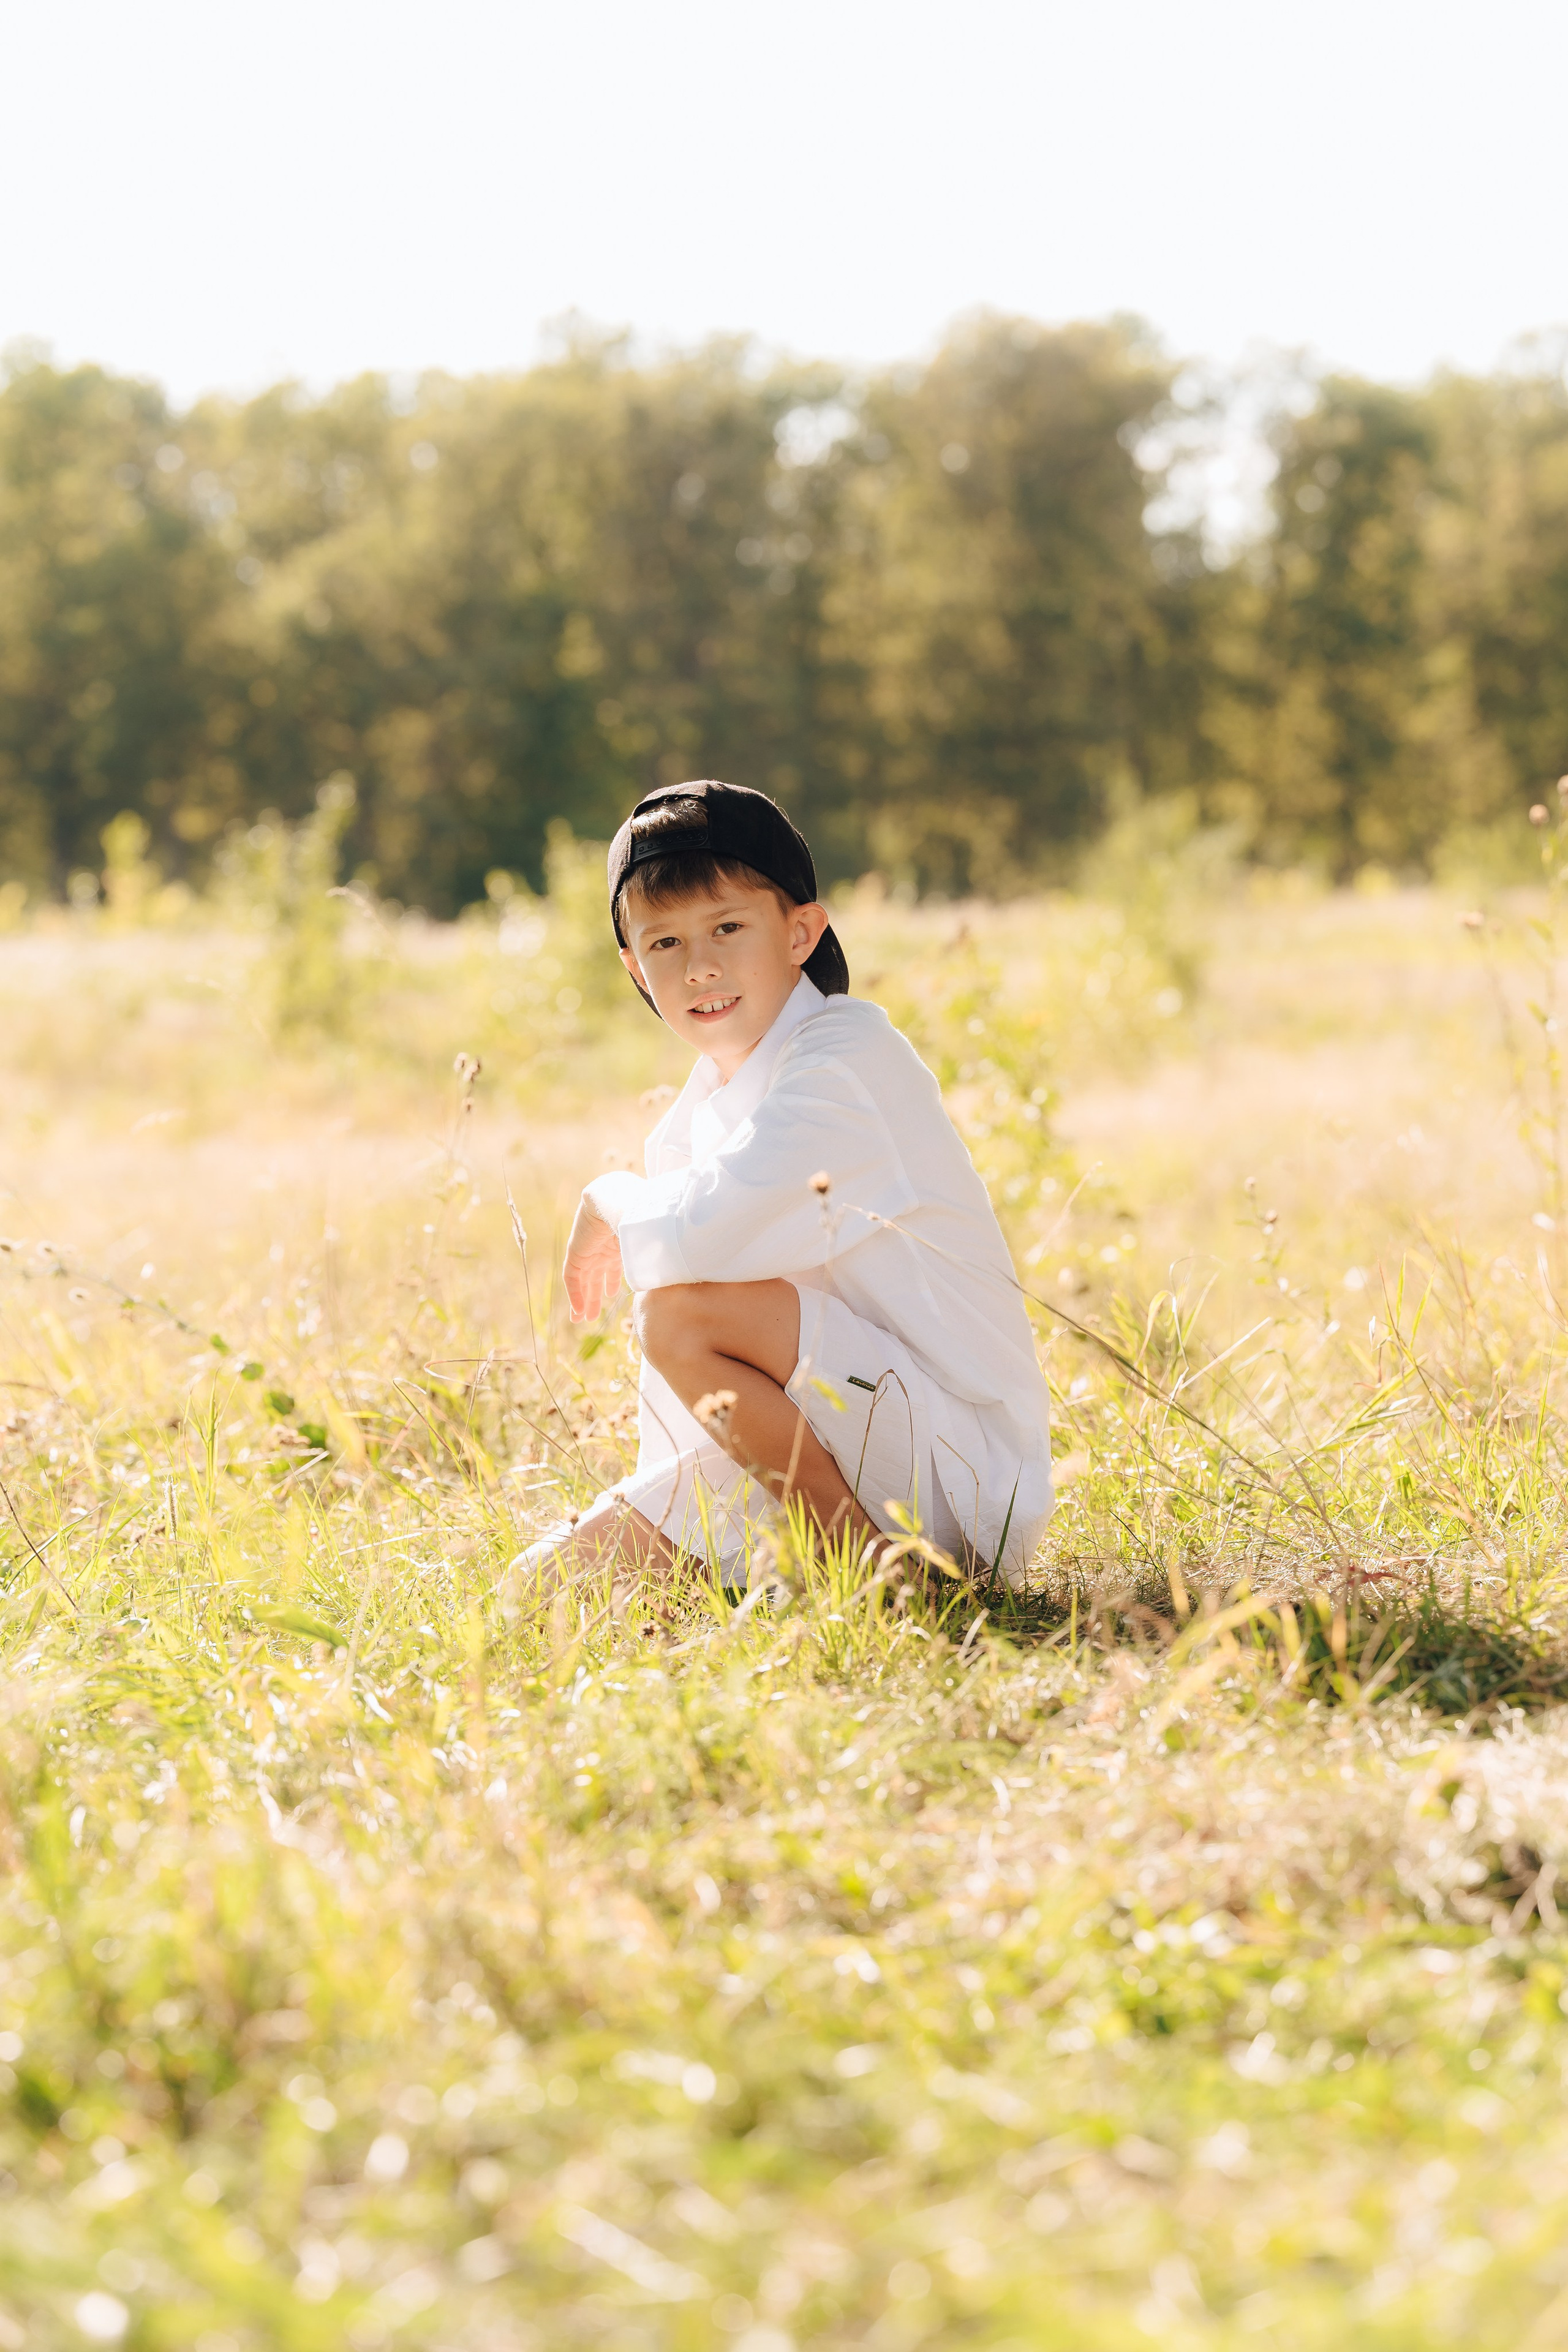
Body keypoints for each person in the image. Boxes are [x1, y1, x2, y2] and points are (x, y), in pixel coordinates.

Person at [519, 779, 1053, 1590]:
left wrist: (609, 1198)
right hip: (828, 1443)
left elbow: (698, 1255)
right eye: (665, 945)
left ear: (802, 931)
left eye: (727, 927)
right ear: (635, 967)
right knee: (547, 1592)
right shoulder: (701, 1111)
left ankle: (880, 1578)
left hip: (952, 1477)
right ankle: (801, 1565)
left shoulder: (847, 1062)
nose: (700, 966)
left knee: (679, 1316)